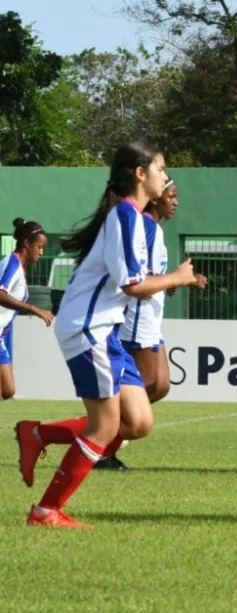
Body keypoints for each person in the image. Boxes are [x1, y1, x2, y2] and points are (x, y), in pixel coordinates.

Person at [13, 141, 200, 528]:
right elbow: (131, 283)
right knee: (106, 426)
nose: (166, 177)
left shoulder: (129, 216)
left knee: (139, 421)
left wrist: (170, 279)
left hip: (104, 329)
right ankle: (46, 511)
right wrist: (178, 278)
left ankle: (37, 433)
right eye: (161, 169)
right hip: (89, 327)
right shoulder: (127, 217)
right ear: (140, 173)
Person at [97, 179, 205, 471]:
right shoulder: (144, 224)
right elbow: (135, 277)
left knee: (161, 385)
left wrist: (177, 281)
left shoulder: (154, 229)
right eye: (172, 195)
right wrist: (169, 280)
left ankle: (104, 435)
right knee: (142, 388)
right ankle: (98, 442)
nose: (176, 202)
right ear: (157, 198)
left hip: (151, 317)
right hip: (137, 318)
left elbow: (151, 275)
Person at [0, 219, 55, 399]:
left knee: (7, 390)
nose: (41, 252)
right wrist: (34, 309)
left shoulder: (18, 267)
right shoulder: (12, 265)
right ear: (26, 243)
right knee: (6, 389)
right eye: (39, 247)